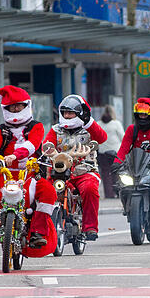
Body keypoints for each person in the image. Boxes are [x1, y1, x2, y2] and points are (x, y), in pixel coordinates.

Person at [0, 85, 56, 253]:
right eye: (11, 107)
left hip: (30, 172)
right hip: (7, 173)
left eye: (18, 106)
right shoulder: (1, 129)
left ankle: (38, 232)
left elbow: (32, 145)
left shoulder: (36, 126)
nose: (15, 109)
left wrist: (15, 156)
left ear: (26, 106)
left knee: (48, 192)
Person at [44, 94, 108, 241]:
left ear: (80, 113)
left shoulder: (89, 129)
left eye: (70, 113)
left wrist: (88, 122)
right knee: (44, 192)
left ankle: (90, 227)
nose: (67, 116)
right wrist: (48, 151)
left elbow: (102, 138)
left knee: (90, 189)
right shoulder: (55, 130)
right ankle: (41, 230)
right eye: (65, 112)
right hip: (59, 172)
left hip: (85, 171)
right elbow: (47, 145)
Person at [97, 105, 125, 199]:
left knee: (105, 173)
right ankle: (117, 192)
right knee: (116, 172)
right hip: (115, 152)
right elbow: (122, 137)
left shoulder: (99, 124)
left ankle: (109, 194)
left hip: (102, 152)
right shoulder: (116, 123)